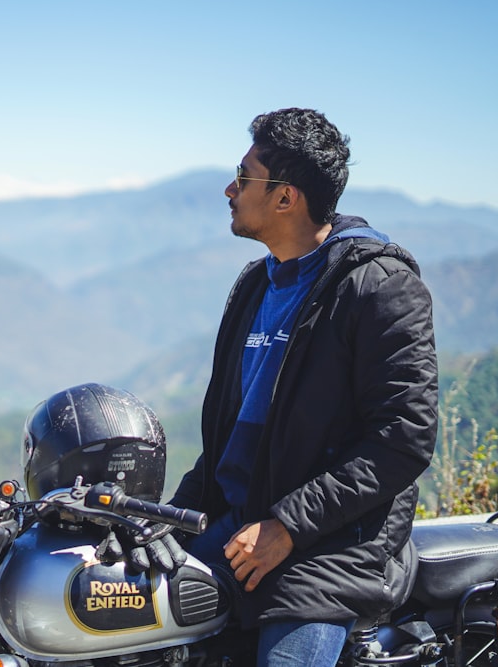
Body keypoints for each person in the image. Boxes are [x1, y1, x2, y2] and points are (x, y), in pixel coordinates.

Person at [168, 108, 438, 666]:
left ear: (285, 198)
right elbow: (227, 440)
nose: (229, 189)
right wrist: (167, 522)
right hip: (236, 529)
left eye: (244, 178)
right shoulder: (255, 284)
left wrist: (288, 526)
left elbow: (403, 440)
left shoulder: (380, 288)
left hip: (329, 551)